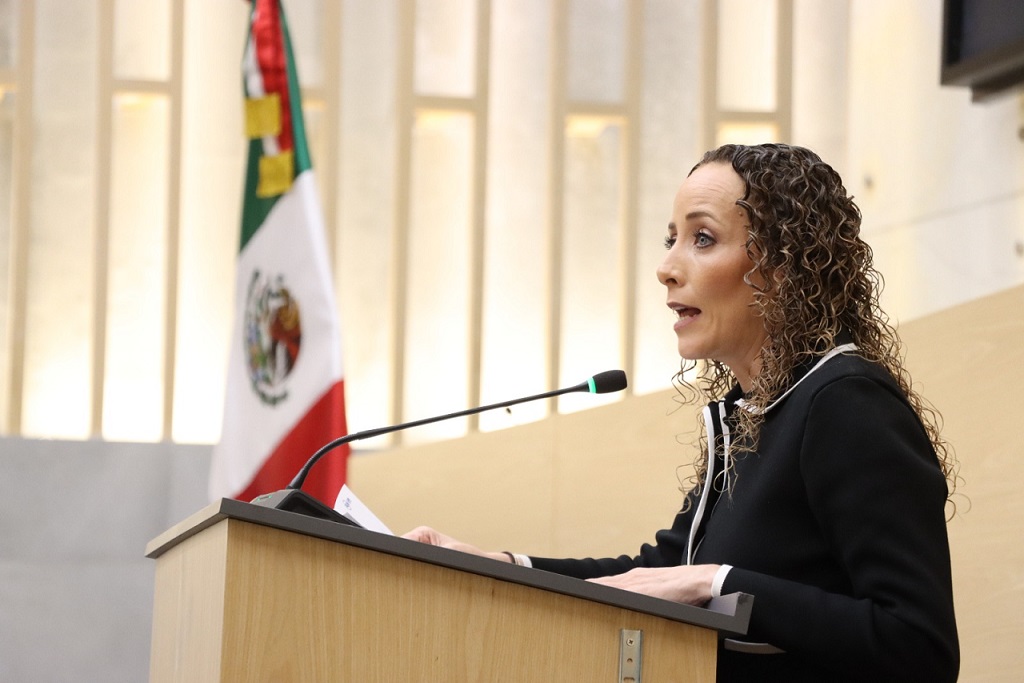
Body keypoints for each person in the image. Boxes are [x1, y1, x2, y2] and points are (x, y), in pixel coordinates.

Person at [404, 143, 960, 682]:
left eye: (702, 238)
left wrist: (716, 582)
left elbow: (920, 646)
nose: (666, 268)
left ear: (785, 264)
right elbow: (660, 573)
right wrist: (498, 564)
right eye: (672, 239)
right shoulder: (756, 414)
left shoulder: (845, 402)